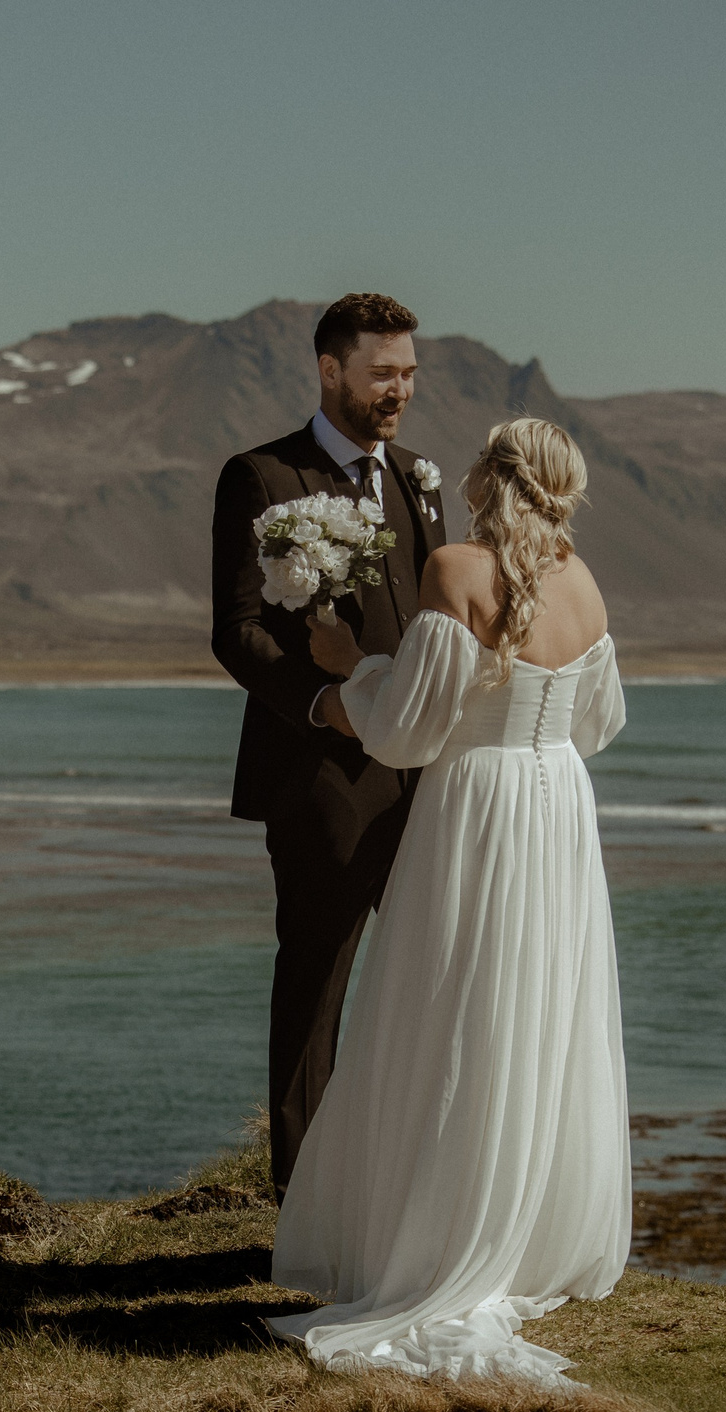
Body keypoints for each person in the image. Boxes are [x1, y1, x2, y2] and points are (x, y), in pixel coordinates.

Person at [265, 416, 631, 1385]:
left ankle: (433, 1244)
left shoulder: (452, 571)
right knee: (536, 1014)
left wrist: (350, 673)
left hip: (476, 806)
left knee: (450, 1007)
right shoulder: (583, 581)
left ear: (483, 478)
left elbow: (404, 737)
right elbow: (600, 723)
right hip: (558, 808)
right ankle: (524, 1236)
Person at [209, 293, 446, 1193]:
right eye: (384, 373)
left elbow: (441, 624)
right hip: (319, 779)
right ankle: (303, 1198)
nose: (400, 391)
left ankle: (403, 1188)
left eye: (411, 374)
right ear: (330, 370)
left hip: (421, 774)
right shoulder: (263, 477)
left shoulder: (419, 479)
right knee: (316, 985)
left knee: (429, 983)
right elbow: (239, 631)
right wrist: (323, 704)